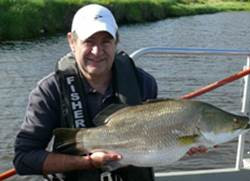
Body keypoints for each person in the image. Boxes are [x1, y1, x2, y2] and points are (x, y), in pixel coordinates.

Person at [13, 4, 207, 181]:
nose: (97, 51)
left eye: (106, 41)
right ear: (72, 42)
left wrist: (181, 146)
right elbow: (23, 159)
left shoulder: (144, 83)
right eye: (89, 41)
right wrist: (87, 162)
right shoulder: (49, 91)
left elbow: (153, 142)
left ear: (117, 41)